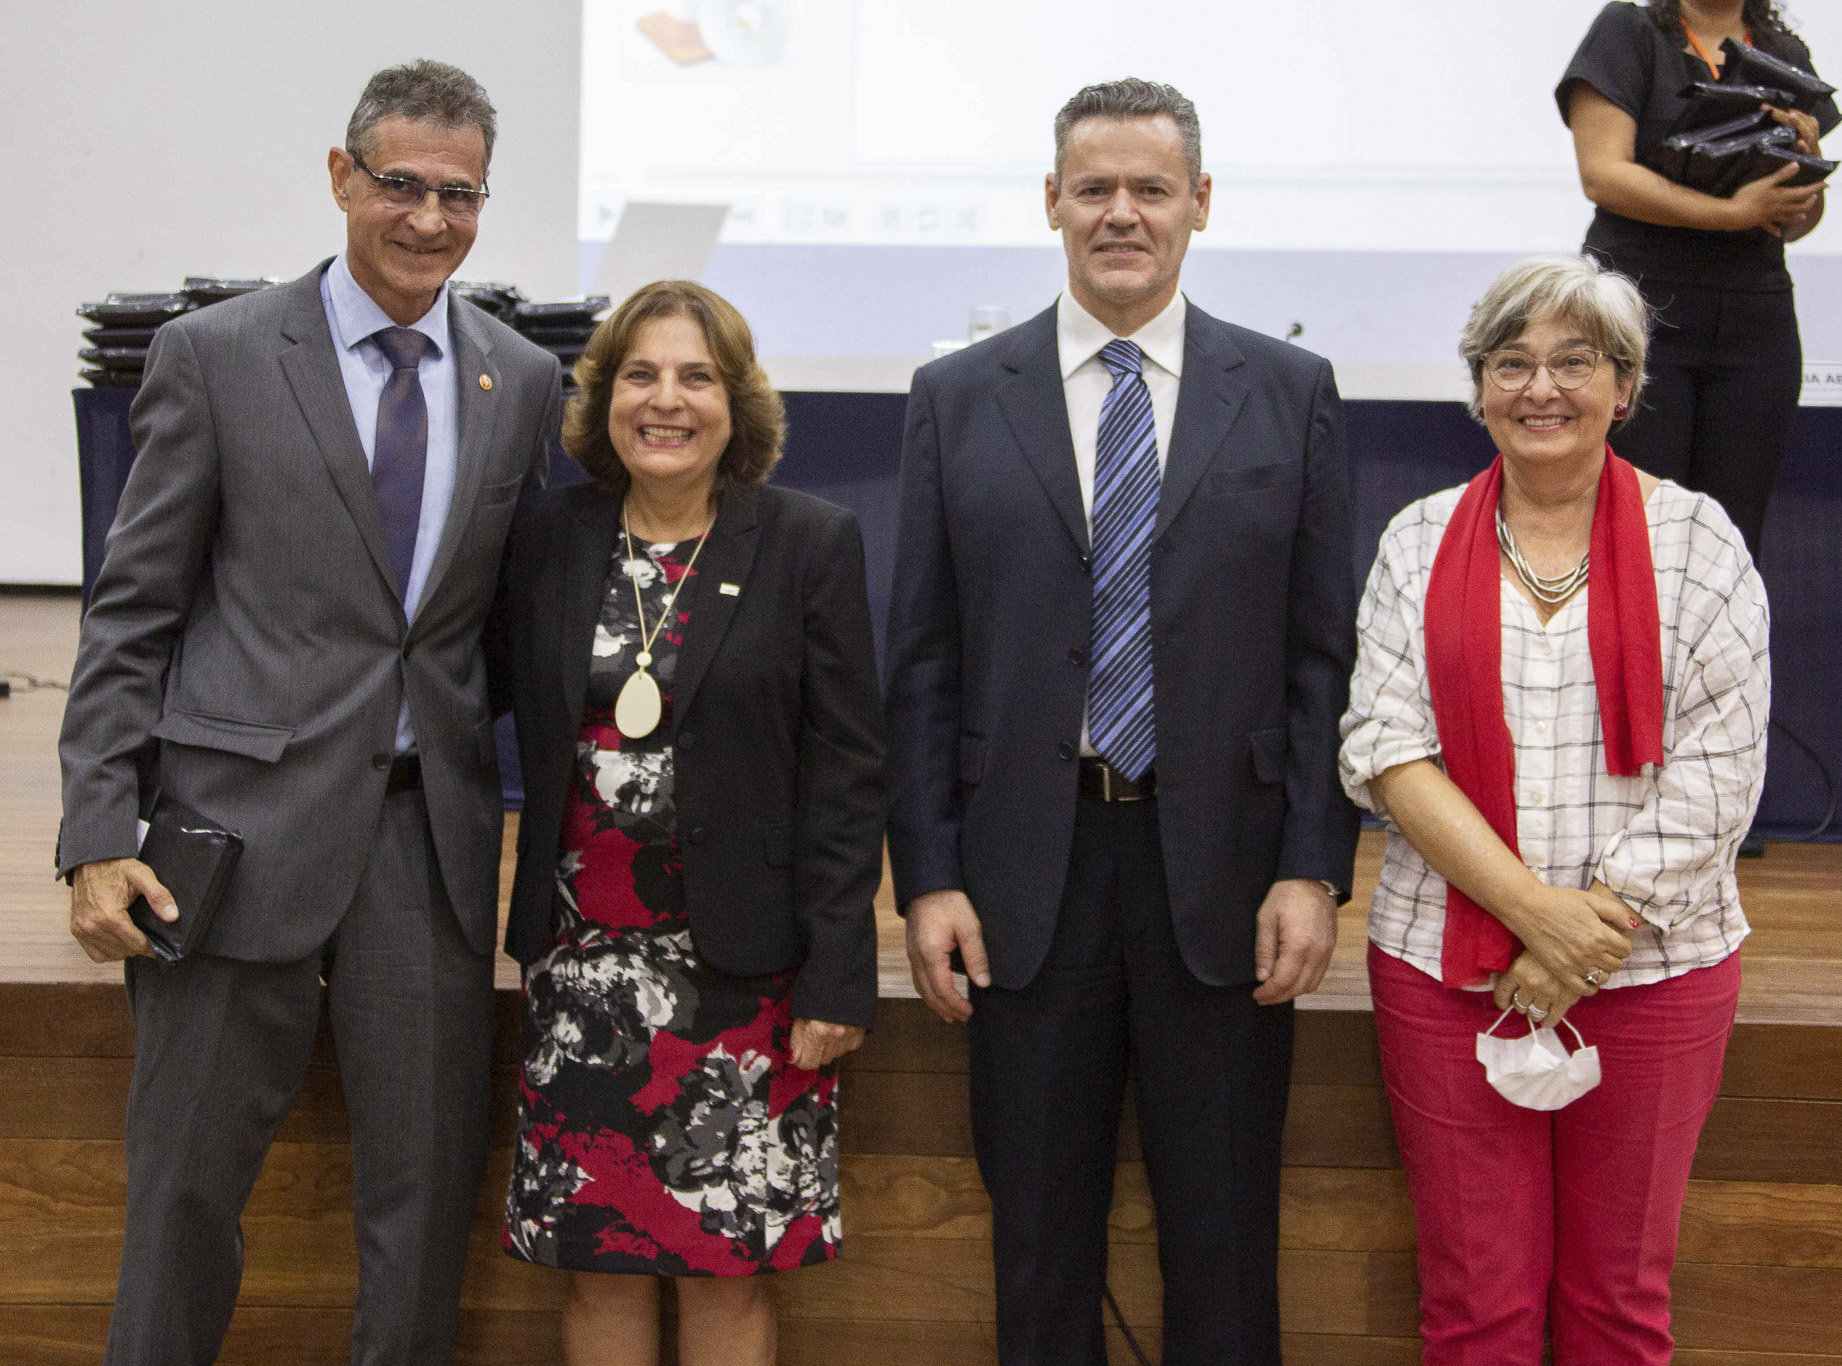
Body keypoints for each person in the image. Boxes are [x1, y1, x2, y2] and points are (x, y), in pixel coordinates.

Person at [56, 61, 562, 1366]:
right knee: (182, 1196)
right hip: (231, 840)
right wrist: (97, 828)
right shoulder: (218, 355)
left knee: (423, 1208)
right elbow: (132, 611)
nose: (430, 218)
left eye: (460, 194)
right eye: (401, 183)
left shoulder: (519, 381)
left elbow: (507, 631)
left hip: (427, 848)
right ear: (342, 177)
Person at [886, 78, 1360, 1366]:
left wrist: (1313, 864)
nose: (1121, 213)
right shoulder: (956, 395)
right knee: (1040, 1247)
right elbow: (921, 661)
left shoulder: (1290, 389)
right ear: (1052, 201)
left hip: (1228, 877)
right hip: (1023, 881)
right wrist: (928, 876)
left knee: (1226, 1241)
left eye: (1152, 188)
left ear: (1200, 203)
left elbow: (1322, 658)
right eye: (1093, 187)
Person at [1340, 254, 1769, 1364]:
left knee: (1617, 1306)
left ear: (1624, 387)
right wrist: (1539, 918)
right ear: (1479, 386)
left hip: (1657, 971)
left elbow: (1721, 770)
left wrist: (1585, 936)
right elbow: (1385, 747)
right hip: (1448, 970)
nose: (1541, 388)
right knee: (1474, 1307)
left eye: (1574, 362)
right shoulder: (1418, 538)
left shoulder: (1700, 541)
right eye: (1511, 362)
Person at [496, 280, 883, 1366]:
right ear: (605, 397)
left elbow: (850, 771)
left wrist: (839, 973)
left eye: (696, 377)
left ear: (736, 402)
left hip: (748, 980)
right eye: (641, 374)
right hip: (581, 977)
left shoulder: (809, 542)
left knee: (727, 1279)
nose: (666, 400)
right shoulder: (548, 537)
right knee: (597, 1269)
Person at [1559, 0, 1841, 562]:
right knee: (1639, 532)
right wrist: (1731, 214)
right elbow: (1603, 174)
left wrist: (1802, 167)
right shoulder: (1630, 31)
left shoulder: (1782, 53)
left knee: (1732, 542)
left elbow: (1797, 221)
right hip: (1637, 318)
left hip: (1755, 324)